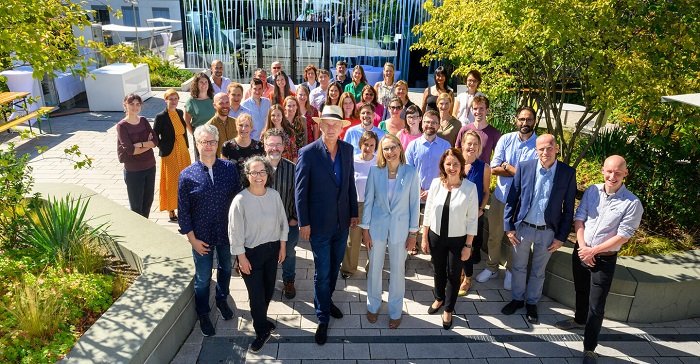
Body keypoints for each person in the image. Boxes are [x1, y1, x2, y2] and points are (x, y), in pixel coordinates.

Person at [555, 155, 643, 364]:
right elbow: (580, 217)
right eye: (609, 171)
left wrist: (593, 252)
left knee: (597, 305)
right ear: (603, 170)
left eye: (618, 173)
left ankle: (589, 348)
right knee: (581, 289)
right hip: (582, 250)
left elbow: (624, 235)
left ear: (625, 174)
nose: (613, 176)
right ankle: (578, 320)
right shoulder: (592, 191)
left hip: (603, 259)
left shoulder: (632, 203)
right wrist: (583, 247)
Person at [295, 105, 358, 345]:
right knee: (322, 273)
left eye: (336, 125)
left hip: (342, 223)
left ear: (341, 128)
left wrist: (353, 212)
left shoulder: (347, 150)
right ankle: (322, 318)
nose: (331, 129)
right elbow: (300, 192)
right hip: (318, 225)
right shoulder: (308, 153)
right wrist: (304, 222)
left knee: (334, 268)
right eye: (327, 124)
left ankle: (326, 300)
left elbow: (349, 183)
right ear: (320, 125)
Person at [501, 134, 576, 324]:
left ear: (557, 148)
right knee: (518, 266)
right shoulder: (525, 168)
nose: (545, 152)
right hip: (523, 229)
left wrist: (561, 237)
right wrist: (509, 227)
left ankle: (532, 303)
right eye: (541, 149)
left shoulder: (567, 173)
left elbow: (568, 209)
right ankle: (517, 299)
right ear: (536, 150)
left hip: (548, 231)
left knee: (538, 271)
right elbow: (513, 198)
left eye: (550, 148)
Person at [178, 124, 241, 337]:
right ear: (197, 144)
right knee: (203, 277)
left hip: (225, 233)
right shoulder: (187, 175)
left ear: (217, 143)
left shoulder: (229, 169)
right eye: (204, 142)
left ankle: (222, 300)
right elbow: (184, 211)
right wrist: (192, 239)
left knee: (225, 268)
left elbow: (238, 201)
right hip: (201, 237)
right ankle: (203, 312)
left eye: (212, 142)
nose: (209, 146)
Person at [229, 156, 287, 353]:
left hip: (271, 250)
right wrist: (241, 257)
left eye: (262, 172)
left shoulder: (274, 195)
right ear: (247, 175)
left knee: (268, 290)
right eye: (254, 172)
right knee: (256, 294)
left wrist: (283, 246)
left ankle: (262, 318)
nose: (259, 176)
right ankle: (261, 330)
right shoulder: (240, 200)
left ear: (267, 174)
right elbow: (234, 231)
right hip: (250, 254)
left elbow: (282, 223)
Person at [361, 134, 420, 329]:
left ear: (400, 148)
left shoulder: (411, 172)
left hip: (400, 230)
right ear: (381, 152)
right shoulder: (375, 172)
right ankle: (373, 305)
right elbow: (368, 202)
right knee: (374, 270)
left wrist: (413, 234)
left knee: (397, 272)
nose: (390, 152)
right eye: (385, 148)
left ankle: (395, 311)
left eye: (393, 147)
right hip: (376, 229)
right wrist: (365, 230)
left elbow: (414, 206)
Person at [476, 106, 538, 290]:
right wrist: (519, 171)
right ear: (516, 120)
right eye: (521, 119)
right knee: (494, 235)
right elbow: (494, 168)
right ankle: (492, 267)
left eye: (528, 119)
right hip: (501, 197)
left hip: (523, 202)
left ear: (534, 121)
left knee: (516, 240)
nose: (524, 123)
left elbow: (532, 175)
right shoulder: (506, 139)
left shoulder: (538, 144)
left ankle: (510, 271)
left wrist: (508, 167)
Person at [421, 148, 478, 330]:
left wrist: (468, 245)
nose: (452, 167)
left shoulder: (470, 188)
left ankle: (448, 309)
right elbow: (428, 211)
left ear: (461, 165)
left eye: (455, 164)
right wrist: (424, 237)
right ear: (442, 166)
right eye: (448, 164)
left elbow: (472, 219)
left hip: (458, 240)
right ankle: (439, 298)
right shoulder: (436, 183)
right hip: (436, 236)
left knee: (454, 275)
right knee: (438, 270)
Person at [406, 110, 451, 255]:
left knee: (434, 225)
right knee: (413, 222)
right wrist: (418, 190)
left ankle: (432, 250)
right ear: (422, 123)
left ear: (438, 126)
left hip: (438, 193)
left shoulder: (446, 146)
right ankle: (414, 243)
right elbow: (408, 170)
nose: (429, 125)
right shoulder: (413, 145)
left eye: (433, 122)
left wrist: (432, 191)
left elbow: (448, 171)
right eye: (427, 122)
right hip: (415, 193)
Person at [263, 129, 299, 300]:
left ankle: (289, 280)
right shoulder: (256, 168)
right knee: (265, 255)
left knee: (289, 253)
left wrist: (295, 218)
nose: (275, 148)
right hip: (262, 225)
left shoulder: (293, 169)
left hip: (287, 222)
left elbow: (301, 197)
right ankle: (265, 282)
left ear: (284, 146)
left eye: (278, 144)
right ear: (265, 146)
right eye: (271, 144)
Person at [340, 130, 379, 279]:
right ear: (360, 144)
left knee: (373, 238)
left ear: (375, 147)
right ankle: (348, 269)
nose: (368, 148)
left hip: (374, 204)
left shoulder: (379, 163)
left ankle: (373, 270)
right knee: (353, 238)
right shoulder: (353, 160)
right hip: (355, 204)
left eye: (371, 145)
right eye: (365, 144)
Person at [458, 130, 491, 295]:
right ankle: (459, 272)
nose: (472, 147)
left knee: (467, 246)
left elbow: (486, 192)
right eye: (469, 143)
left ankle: (467, 278)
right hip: (455, 214)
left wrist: (480, 210)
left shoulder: (484, 167)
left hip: (473, 214)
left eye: (475, 144)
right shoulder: (455, 163)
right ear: (462, 144)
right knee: (456, 245)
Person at [117, 94, 158, 218]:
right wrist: (147, 144)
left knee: (148, 202)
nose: (135, 107)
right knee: (136, 206)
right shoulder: (122, 126)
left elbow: (155, 141)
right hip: (133, 171)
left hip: (150, 166)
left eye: (138, 104)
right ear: (125, 105)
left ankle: (146, 228)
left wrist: (139, 144)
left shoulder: (144, 120)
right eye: (131, 104)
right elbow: (130, 151)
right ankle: (139, 232)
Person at [153, 89, 191, 221]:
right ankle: (171, 209)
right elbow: (154, 135)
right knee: (171, 180)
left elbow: (184, 131)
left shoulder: (180, 112)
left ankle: (184, 207)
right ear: (165, 100)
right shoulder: (161, 116)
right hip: (170, 152)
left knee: (184, 180)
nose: (173, 101)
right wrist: (162, 147)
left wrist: (186, 146)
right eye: (170, 99)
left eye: (175, 99)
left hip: (183, 150)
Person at [455, 95, 502, 163]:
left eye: (481, 108)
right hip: (465, 172)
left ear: (487, 111)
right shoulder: (464, 130)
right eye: (475, 109)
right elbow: (457, 152)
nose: (478, 112)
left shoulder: (494, 133)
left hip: (484, 172)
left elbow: (499, 157)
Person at [184, 72, 216, 160]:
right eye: (201, 82)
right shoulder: (191, 102)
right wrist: (194, 134)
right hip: (200, 136)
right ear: (196, 84)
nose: (204, 84)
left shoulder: (214, 99)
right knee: (201, 160)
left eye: (206, 82)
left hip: (214, 135)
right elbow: (187, 121)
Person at [206, 92, 237, 156]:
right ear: (214, 105)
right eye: (221, 103)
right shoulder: (209, 127)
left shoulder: (236, 123)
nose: (225, 106)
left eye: (227, 102)